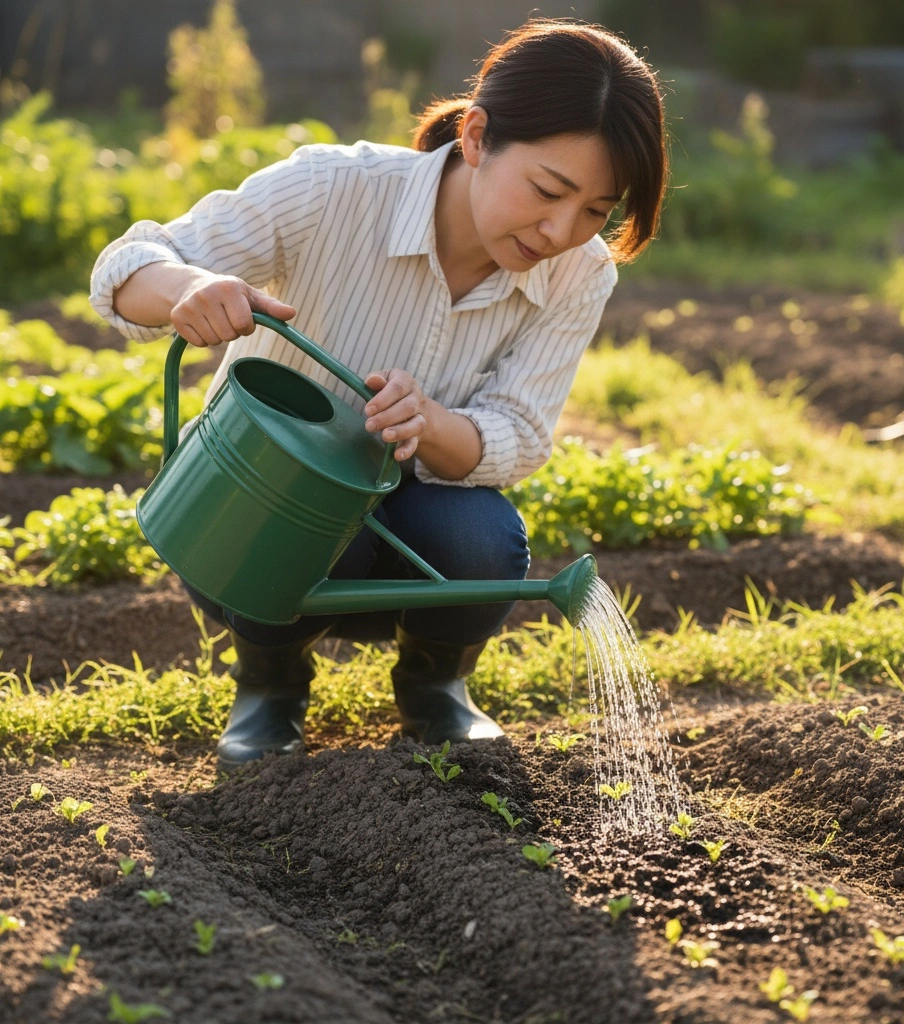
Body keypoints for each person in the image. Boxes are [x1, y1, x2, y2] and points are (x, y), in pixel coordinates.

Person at [90, 17, 667, 769]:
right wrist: (189, 290)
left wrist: (430, 423)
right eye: (548, 191)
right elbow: (127, 265)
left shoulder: (579, 272)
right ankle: (271, 686)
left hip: (411, 530)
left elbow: (519, 433)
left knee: (485, 541)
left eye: (597, 210)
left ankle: (437, 690)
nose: (562, 229)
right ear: (478, 137)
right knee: (315, 518)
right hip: (253, 525)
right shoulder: (336, 188)